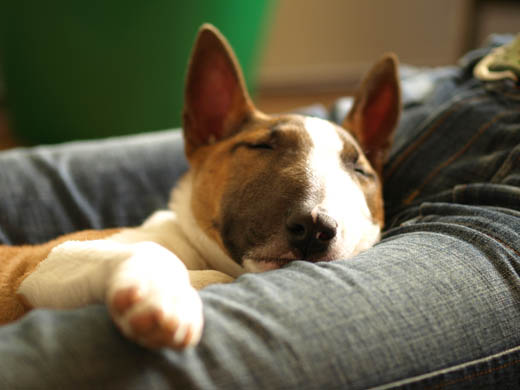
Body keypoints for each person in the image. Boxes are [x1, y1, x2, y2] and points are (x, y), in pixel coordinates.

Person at [0, 35, 519, 389]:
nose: (315, 218)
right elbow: (29, 277)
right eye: (264, 148)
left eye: (359, 168)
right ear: (205, 133)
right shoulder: (157, 243)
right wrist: (142, 265)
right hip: (464, 84)